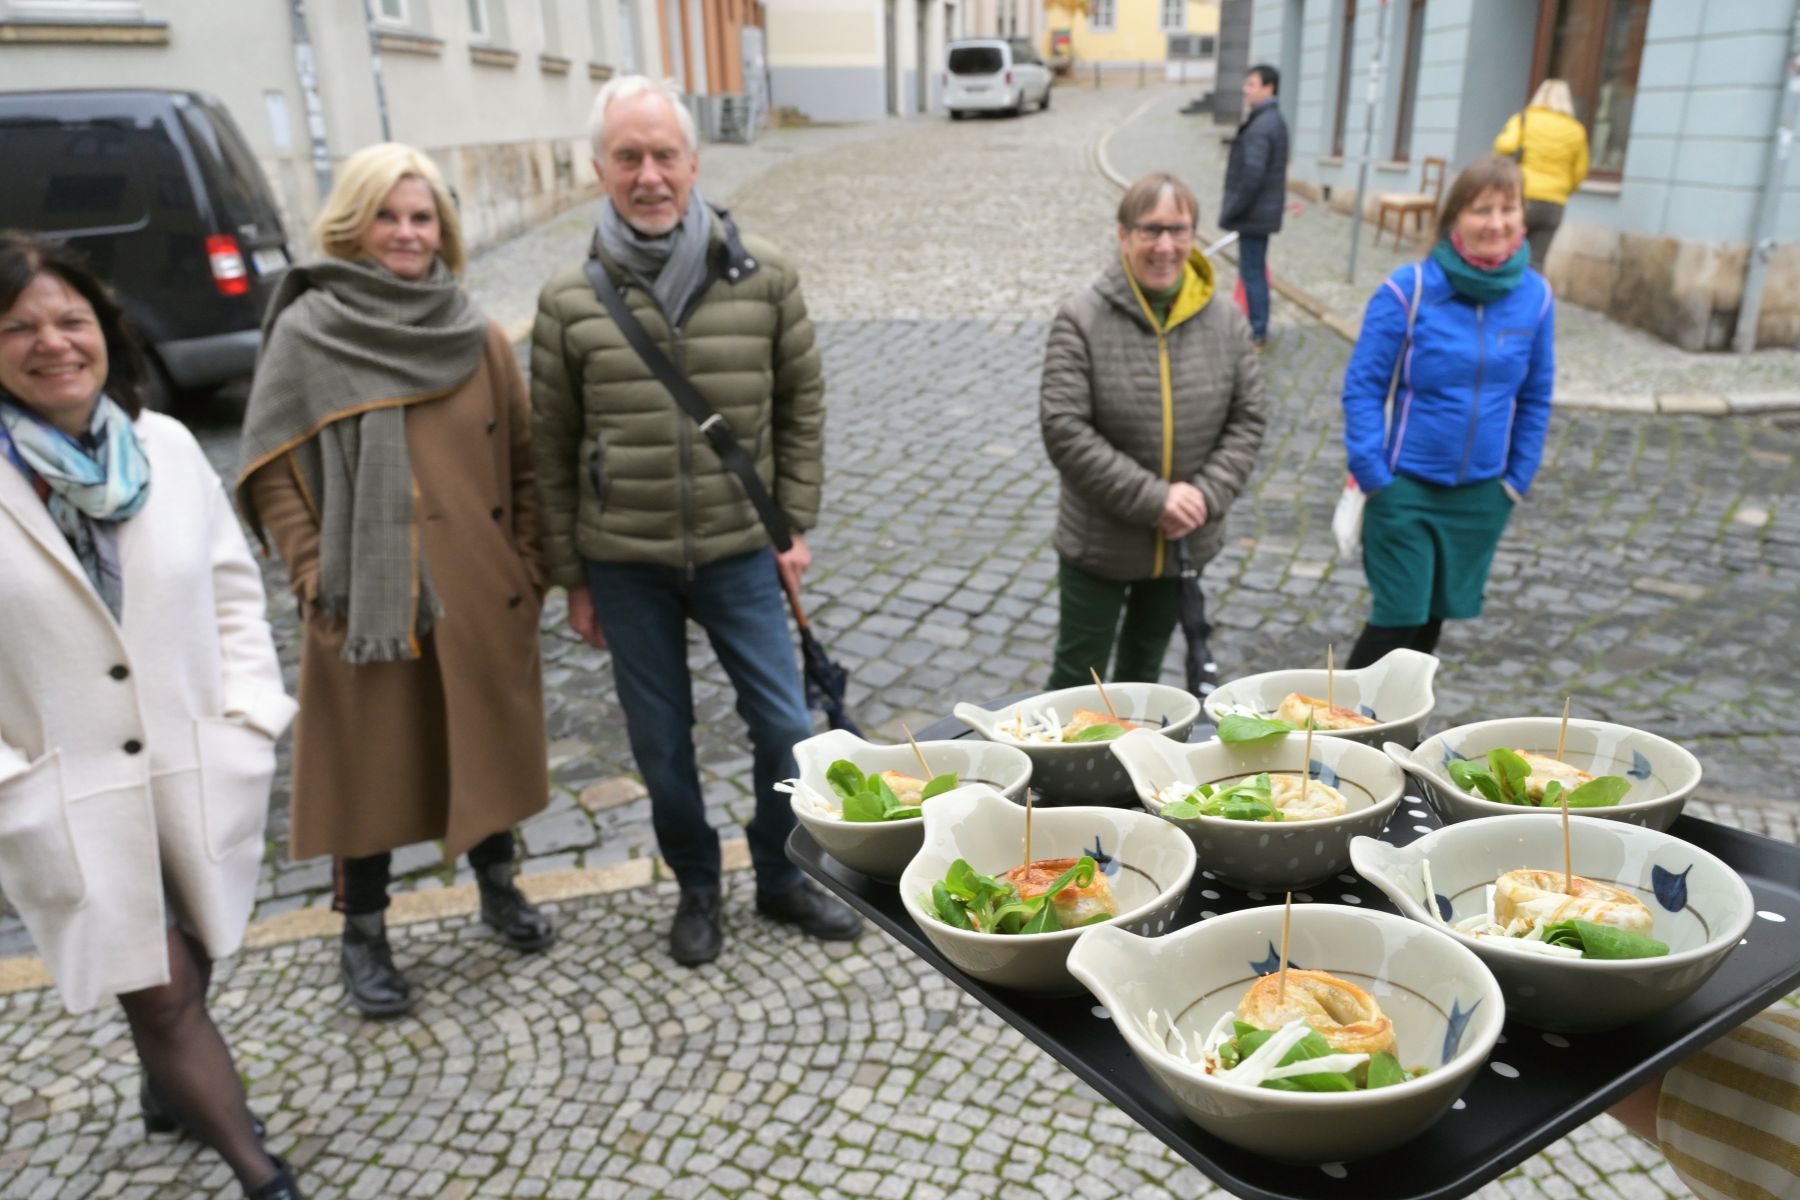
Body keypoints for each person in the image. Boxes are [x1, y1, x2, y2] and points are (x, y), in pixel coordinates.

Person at [530, 75, 860, 968]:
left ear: (693, 162)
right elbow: (551, 445)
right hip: (624, 563)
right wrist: (571, 576)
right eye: (627, 157)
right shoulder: (569, 299)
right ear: (600, 168)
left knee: (786, 728)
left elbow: (803, 404)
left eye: (662, 155)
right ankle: (697, 888)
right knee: (661, 747)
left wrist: (791, 524)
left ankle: (782, 876)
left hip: (739, 552)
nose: (648, 175)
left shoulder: (767, 277)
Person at [0, 233, 302, 1198]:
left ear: (103, 331)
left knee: (194, 961)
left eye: (69, 320)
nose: (52, 343)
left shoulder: (164, 448)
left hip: (192, 770)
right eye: (18, 328)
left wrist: (252, 714)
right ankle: (260, 1172)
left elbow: (232, 594)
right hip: (73, 793)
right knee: (163, 995)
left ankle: (168, 1092)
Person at [236, 143, 554, 1019]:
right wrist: (312, 578)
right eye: (389, 216)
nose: (407, 233)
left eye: (423, 218)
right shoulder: (311, 331)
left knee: (483, 747)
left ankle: (501, 889)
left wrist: (527, 566)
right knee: (367, 776)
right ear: (353, 224)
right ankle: (363, 934)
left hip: (481, 593)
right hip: (366, 602)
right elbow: (271, 469)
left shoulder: (474, 330)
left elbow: (526, 464)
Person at [1039, 173, 1267, 691]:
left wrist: (1202, 498)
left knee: (1145, 679)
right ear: (1123, 236)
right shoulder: (1081, 319)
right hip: (1101, 542)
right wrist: (1154, 498)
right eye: (1151, 230)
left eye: (1179, 230)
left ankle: (1129, 772)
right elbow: (1064, 428)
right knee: (1079, 681)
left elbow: (1248, 417)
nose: (1166, 246)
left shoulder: (1226, 319)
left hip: (1183, 542)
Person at [1340, 155, 1554, 670]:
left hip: (1482, 496)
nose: (1496, 223)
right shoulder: (1408, 289)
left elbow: (1536, 395)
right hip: (1405, 489)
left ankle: (1398, 736)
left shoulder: (1536, 298)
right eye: (1482, 209)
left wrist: (1515, 480)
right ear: (1455, 217)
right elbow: (1364, 385)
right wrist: (1374, 474)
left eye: (1508, 209)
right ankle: (1336, 730)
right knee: (1398, 618)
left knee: (1431, 623)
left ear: (1523, 218)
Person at [1219, 63, 1289, 349]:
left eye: (1252, 85)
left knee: (1252, 272)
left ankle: (1257, 330)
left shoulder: (1263, 124)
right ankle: (1257, 325)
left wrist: (1233, 209)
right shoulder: (1269, 119)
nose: (1245, 90)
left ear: (1268, 88)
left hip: (1254, 213)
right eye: (1246, 84)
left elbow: (1253, 175)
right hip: (1261, 211)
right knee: (1254, 269)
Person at [1493, 78, 1590, 271]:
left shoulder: (1524, 119)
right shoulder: (1576, 130)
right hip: (1554, 203)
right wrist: (1563, 189)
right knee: (1536, 260)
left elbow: (1505, 146)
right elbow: (1580, 172)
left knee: (1506, 253)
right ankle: (1531, 300)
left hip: (1522, 197)